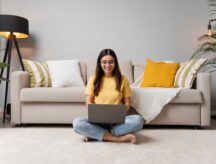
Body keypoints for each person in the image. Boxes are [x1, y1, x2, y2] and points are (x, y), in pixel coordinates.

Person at [73, 49, 144, 144]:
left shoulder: (123, 79)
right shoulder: (94, 79)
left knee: (138, 120)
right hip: (97, 122)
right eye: (104, 62)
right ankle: (117, 138)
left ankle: (97, 134)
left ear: (115, 63)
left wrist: (121, 110)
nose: (107, 65)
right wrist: (95, 111)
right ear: (100, 63)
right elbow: (88, 102)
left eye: (111, 62)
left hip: (117, 122)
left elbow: (127, 103)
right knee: (77, 123)